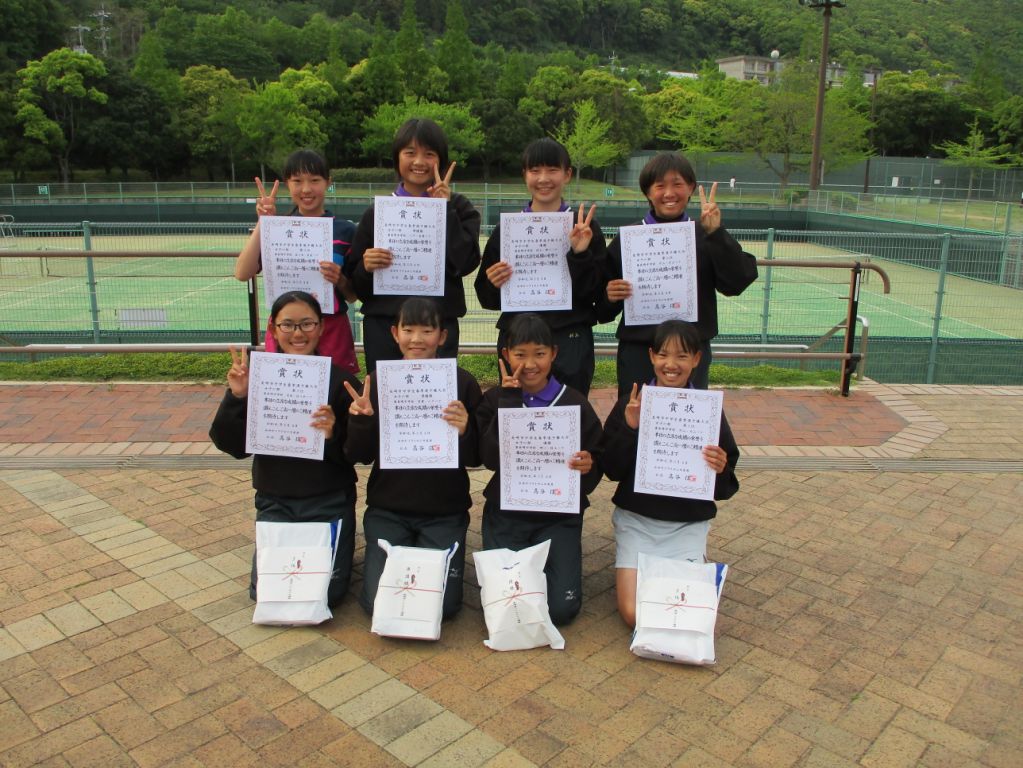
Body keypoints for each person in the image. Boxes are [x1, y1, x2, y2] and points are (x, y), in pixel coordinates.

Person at [209, 291, 361, 606]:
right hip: (276, 501)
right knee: (268, 595)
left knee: (327, 596)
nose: (298, 333)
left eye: (307, 324)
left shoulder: (341, 382)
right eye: (288, 324)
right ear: (273, 328)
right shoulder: (259, 378)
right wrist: (237, 397)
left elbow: (358, 453)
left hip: (328, 501)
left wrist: (332, 434)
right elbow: (232, 445)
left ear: (321, 327)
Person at [343, 297, 483, 619]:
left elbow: (478, 457)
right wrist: (361, 420)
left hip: (444, 511)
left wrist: (465, 430)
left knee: (443, 607)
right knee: (377, 603)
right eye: (408, 330)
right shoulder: (378, 382)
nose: (416, 339)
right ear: (395, 333)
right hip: (388, 509)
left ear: (442, 336)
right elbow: (358, 454)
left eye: (427, 331)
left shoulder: (461, 383)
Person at [600, 319, 740, 627]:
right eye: (663, 354)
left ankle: (694, 559)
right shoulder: (633, 404)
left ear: (697, 359)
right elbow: (610, 469)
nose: (671, 364)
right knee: (634, 614)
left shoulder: (705, 410)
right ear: (651, 356)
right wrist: (630, 427)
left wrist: (720, 468)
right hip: (637, 522)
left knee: (685, 614)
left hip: (686, 525)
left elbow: (725, 487)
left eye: (682, 356)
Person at [476, 313, 603, 626]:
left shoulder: (573, 402)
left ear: (554, 354)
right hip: (507, 514)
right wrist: (509, 400)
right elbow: (488, 458)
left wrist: (588, 465)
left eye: (540, 354)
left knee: (561, 609)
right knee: (507, 603)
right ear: (506, 354)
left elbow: (597, 457)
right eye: (520, 354)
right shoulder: (494, 399)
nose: (530, 364)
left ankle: (549, 564)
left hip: (558, 517)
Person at [598, 152, 758, 397]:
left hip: (689, 352)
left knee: (687, 417)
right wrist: (610, 296)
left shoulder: (706, 234)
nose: (669, 193)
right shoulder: (629, 239)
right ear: (647, 192)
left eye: (678, 184)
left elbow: (735, 283)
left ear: (691, 187)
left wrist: (717, 234)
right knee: (634, 414)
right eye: (660, 186)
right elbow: (602, 309)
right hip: (640, 351)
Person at [345, 118, 481, 373]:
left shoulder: (459, 208)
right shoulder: (378, 213)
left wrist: (445, 209)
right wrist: (366, 266)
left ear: (441, 160)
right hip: (384, 328)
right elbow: (357, 286)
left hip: (437, 327)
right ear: (397, 158)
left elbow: (465, 263)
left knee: (434, 395)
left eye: (429, 154)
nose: (419, 161)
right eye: (410, 153)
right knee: (385, 395)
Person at [474, 137, 606, 396]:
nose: (543, 178)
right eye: (535, 170)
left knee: (570, 410)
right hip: (518, 340)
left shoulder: (585, 228)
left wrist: (580, 254)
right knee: (517, 411)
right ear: (525, 174)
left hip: (570, 339)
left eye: (552, 170)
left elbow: (595, 295)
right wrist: (493, 283)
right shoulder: (507, 230)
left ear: (567, 174)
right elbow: (487, 299)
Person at [235, 149, 360, 374]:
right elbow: (243, 273)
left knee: (336, 392)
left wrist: (340, 279)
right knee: (287, 392)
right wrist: (264, 222)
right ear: (287, 184)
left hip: (331, 329)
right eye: (297, 181)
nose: (306, 189)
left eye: (315, 180)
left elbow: (352, 296)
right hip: (286, 329)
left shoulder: (346, 231)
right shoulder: (278, 228)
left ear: (328, 182)